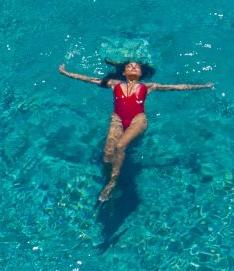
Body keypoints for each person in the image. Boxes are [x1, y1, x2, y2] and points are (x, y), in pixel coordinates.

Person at [58, 60, 213, 202]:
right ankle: (107, 177)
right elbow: (90, 79)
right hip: (117, 120)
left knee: (120, 146)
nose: (133, 67)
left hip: (138, 120)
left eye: (137, 67)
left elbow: (177, 87)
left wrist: (203, 86)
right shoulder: (114, 84)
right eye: (129, 66)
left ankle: (113, 182)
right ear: (123, 72)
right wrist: (66, 73)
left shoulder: (148, 86)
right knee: (107, 155)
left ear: (141, 73)